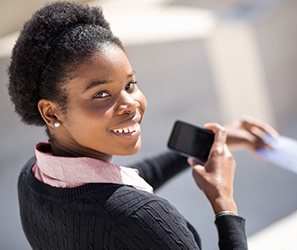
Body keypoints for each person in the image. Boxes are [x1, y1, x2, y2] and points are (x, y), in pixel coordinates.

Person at [8, 2, 279, 250]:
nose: (130, 104)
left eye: (130, 85)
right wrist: (224, 205)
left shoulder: (32, 178)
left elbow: (127, 181)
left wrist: (209, 142)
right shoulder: (146, 219)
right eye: (101, 94)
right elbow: (123, 202)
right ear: (51, 112)